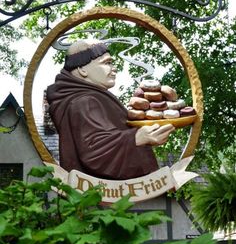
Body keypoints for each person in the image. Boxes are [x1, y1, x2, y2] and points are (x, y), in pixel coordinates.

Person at [46, 39, 175, 180]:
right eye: (107, 63)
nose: (114, 69)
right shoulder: (85, 101)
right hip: (100, 194)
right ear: (82, 69)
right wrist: (137, 137)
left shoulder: (88, 97)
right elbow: (94, 152)